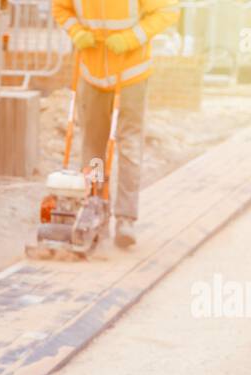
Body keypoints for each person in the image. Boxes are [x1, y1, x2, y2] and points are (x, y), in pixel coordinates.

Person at [52, 0, 179, 247]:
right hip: (91, 73)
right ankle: (94, 209)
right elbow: (61, 8)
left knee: (128, 144)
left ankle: (125, 219)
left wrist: (131, 37)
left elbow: (168, 10)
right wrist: (77, 32)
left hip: (131, 71)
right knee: (94, 147)